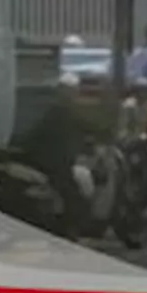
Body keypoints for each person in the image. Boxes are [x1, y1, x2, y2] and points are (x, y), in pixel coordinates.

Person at [20, 72, 108, 239]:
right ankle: (68, 232)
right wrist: (104, 132)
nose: (74, 94)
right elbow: (85, 126)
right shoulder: (62, 110)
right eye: (72, 91)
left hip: (48, 157)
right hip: (53, 161)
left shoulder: (56, 108)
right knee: (72, 194)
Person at [117, 77, 147, 143]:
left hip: (144, 139)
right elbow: (123, 124)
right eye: (142, 90)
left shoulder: (146, 105)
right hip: (130, 140)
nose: (145, 93)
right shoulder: (129, 105)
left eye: (146, 90)